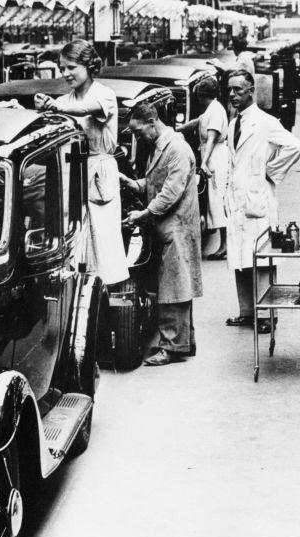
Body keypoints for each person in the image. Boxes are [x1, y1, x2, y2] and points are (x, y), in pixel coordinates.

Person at [34, 39, 129, 286]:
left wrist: (54, 106)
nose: (65, 74)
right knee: (73, 238)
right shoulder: (65, 100)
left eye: (71, 68)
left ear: (89, 65)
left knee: (103, 241)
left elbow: (88, 109)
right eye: (62, 68)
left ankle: (108, 298)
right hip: (71, 172)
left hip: (99, 172)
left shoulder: (104, 95)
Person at [121, 102, 203, 366]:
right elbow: (156, 181)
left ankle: (172, 348)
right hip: (168, 225)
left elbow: (170, 192)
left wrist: (143, 214)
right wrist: (134, 184)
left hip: (176, 225)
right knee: (175, 285)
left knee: (174, 287)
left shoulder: (177, 149)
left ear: (152, 122)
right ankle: (181, 342)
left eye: (138, 131)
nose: (137, 137)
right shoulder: (159, 146)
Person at [224, 70, 300, 332]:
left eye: (238, 89)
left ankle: (267, 316)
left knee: (261, 259)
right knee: (239, 257)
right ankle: (247, 311)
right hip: (237, 198)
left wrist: (271, 172)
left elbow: (295, 146)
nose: (233, 94)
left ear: (251, 91)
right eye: (230, 90)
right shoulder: (233, 122)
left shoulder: (266, 122)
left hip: (257, 197)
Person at [177, 77, 229, 259]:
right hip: (213, 154)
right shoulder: (213, 109)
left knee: (219, 198)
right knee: (215, 199)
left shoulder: (215, 111)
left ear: (202, 95)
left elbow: (212, 137)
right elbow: (197, 122)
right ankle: (223, 243)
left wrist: (204, 162)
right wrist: (176, 130)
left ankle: (224, 245)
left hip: (216, 156)